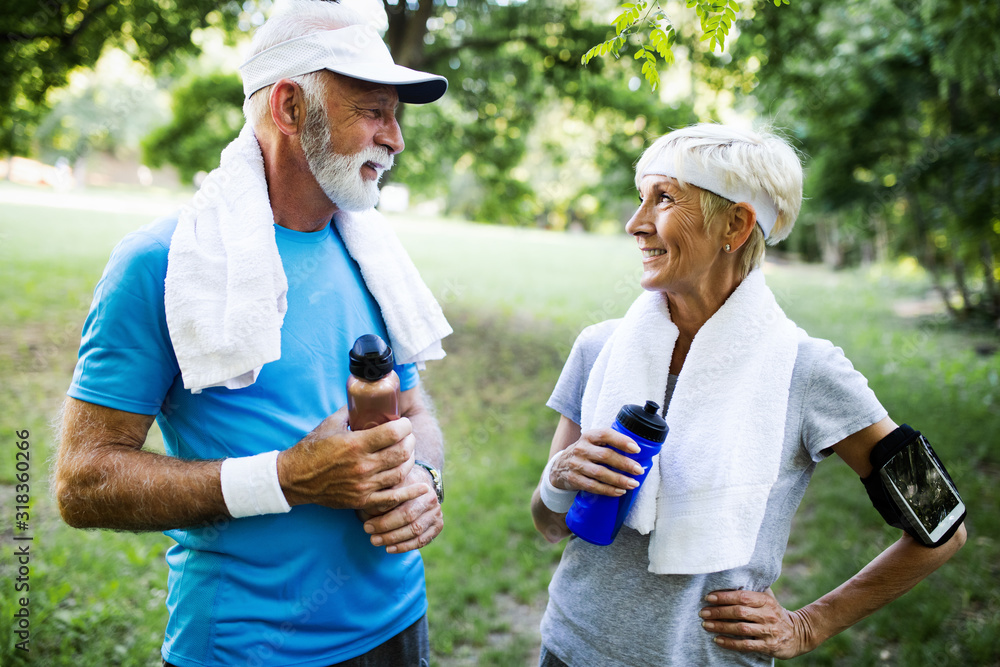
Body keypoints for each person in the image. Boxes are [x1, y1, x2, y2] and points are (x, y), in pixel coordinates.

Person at [54, 2, 452, 665]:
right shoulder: (160, 263)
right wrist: (287, 478)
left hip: (401, 625)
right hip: (248, 648)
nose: (396, 138)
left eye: (396, 115)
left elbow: (413, 409)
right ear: (291, 109)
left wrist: (426, 479)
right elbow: (83, 481)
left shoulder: (374, 253)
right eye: (373, 111)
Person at [530, 123, 967, 666]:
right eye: (640, 198)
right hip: (569, 649)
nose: (635, 224)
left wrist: (809, 626)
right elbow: (547, 526)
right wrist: (559, 479)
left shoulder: (808, 371)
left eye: (663, 199)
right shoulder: (599, 349)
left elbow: (943, 527)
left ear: (735, 224)